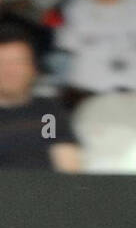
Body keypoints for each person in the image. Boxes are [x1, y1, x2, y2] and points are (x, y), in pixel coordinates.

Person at [0, 24, 80, 171]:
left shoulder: (47, 113)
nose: (9, 71)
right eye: (2, 63)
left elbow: (68, 165)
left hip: (45, 191)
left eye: (18, 62)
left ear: (33, 68)